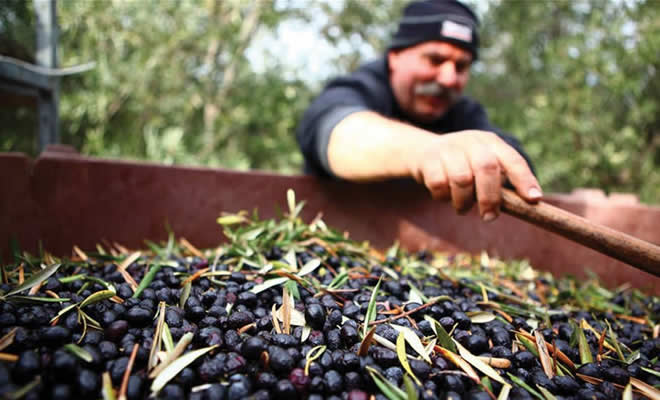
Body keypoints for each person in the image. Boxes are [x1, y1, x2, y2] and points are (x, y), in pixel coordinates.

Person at [296, 0, 543, 222]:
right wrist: (426, 150)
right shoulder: (364, 87)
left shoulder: (463, 113)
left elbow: (514, 164)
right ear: (395, 56)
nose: (449, 79)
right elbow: (335, 130)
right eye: (434, 60)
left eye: (461, 66)